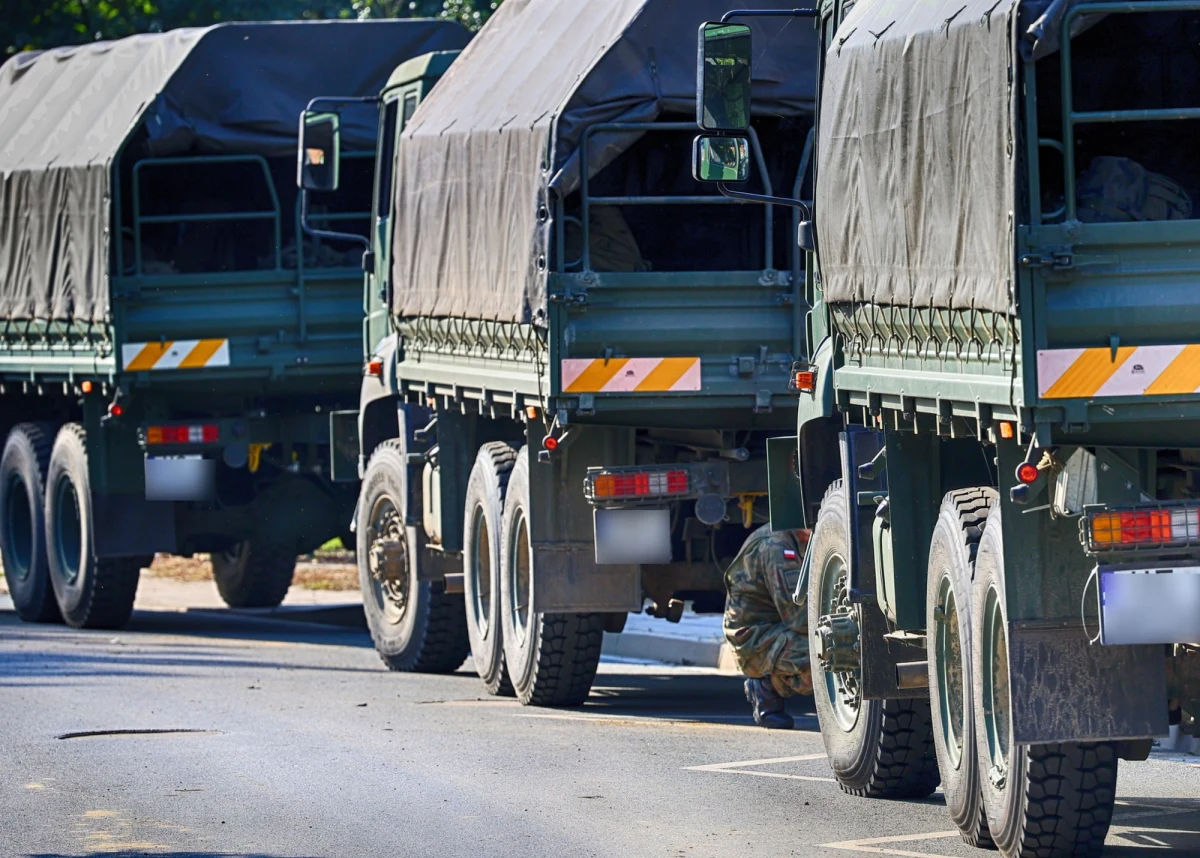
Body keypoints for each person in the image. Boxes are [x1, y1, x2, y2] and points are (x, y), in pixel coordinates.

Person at [723, 524, 812, 729]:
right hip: (755, 639)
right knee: (833, 653)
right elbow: (800, 618)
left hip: (779, 627)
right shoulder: (776, 547)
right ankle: (766, 686)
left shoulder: (800, 538)